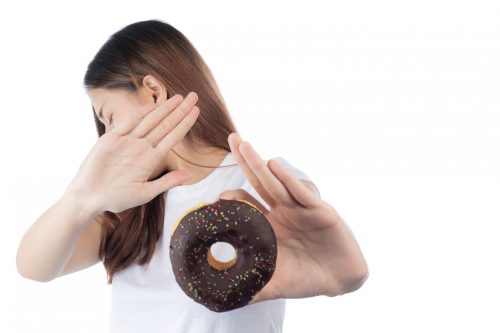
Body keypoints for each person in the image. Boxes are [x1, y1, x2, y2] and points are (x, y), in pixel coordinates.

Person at [16, 19, 369, 333]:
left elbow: (305, 218)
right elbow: (35, 267)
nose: (107, 136)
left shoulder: (257, 182)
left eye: (108, 117)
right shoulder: (127, 210)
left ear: (153, 92)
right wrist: (81, 196)